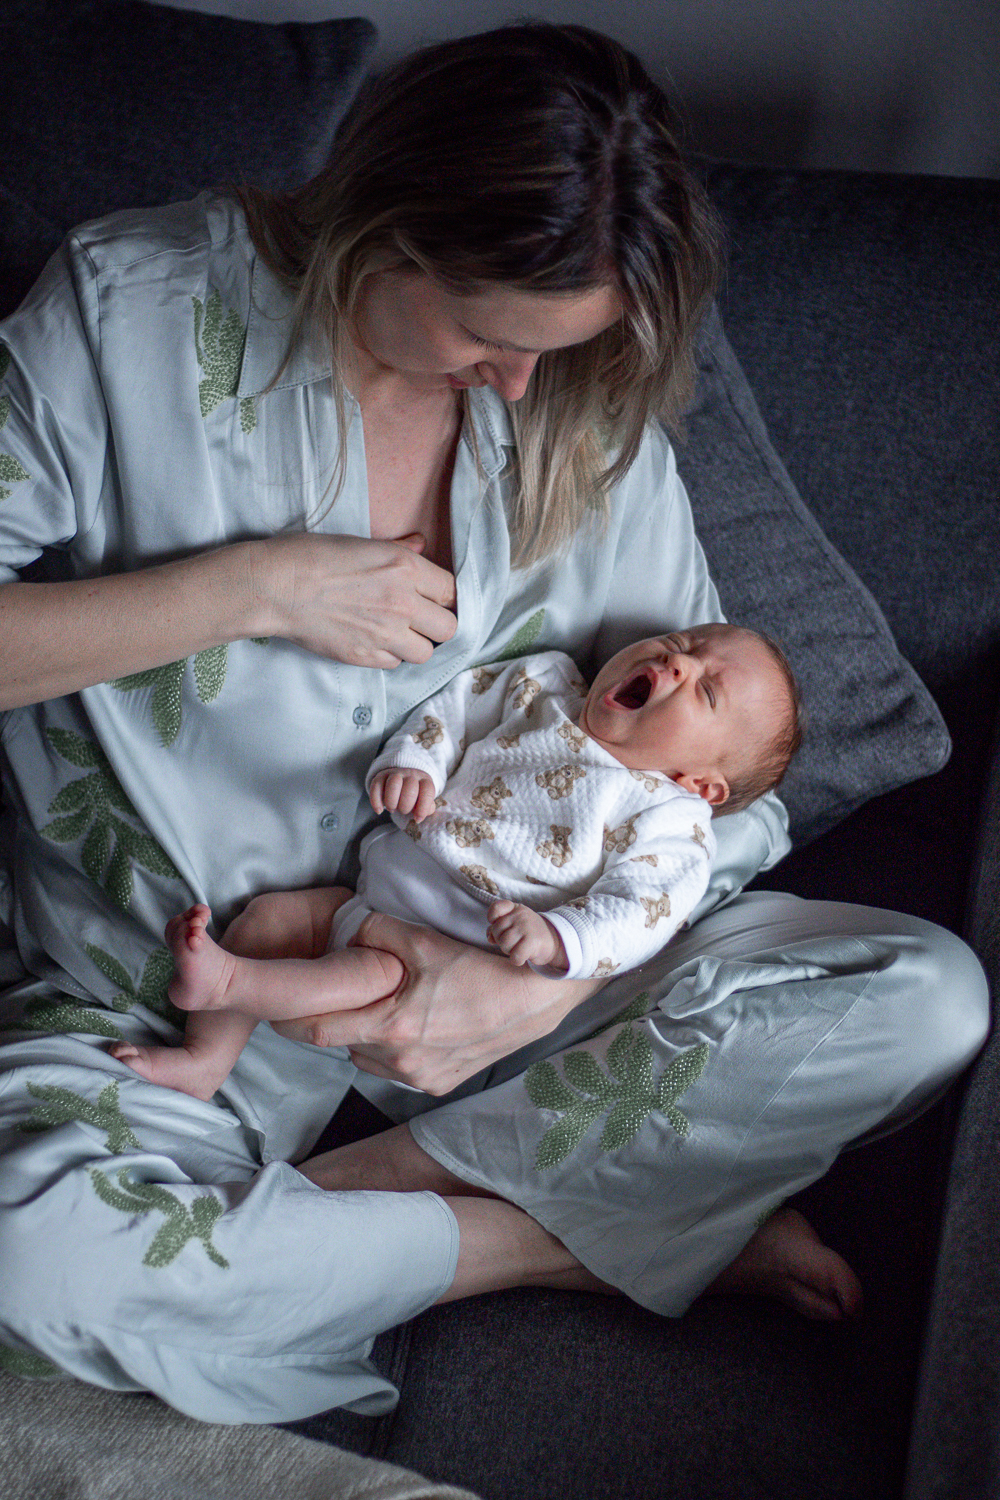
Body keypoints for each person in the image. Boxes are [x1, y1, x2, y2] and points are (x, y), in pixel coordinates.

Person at [0, 23, 987, 1425]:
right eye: (487, 334)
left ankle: (318, 1224)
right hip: (183, 1000)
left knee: (925, 995)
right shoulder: (127, 313)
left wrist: (548, 991)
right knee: (31, 1262)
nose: (521, 385)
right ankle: (567, 1246)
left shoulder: (580, 408)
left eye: (552, 348)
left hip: (512, 987)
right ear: (381, 225)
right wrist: (246, 590)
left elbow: (715, 790)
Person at [111, 623, 802, 1100]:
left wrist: (562, 938)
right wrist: (417, 762)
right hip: (371, 893)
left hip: (452, 947)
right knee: (268, 919)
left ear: (700, 784)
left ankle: (229, 983)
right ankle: (205, 1060)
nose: (679, 663)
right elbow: (455, 710)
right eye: (682, 644)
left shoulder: (668, 821)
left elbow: (643, 913)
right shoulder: (544, 681)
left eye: (706, 691)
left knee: (365, 975)